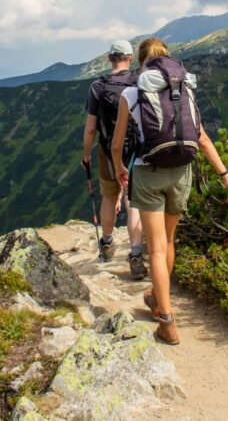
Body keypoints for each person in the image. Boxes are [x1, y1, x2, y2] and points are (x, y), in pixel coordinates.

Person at [112, 37, 228, 345]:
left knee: (154, 248)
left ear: (142, 61)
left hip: (148, 171)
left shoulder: (132, 92)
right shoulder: (184, 89)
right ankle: (157, 298)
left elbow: (117, 144)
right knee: (168, 241)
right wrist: (226, 178)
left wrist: (119, 167)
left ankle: (166, 322)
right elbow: (203, 139)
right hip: (182, 171)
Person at [82, 40, 147, 280]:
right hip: (137, 150)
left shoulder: (97, 87)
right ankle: (137, 255)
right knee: (134, 201)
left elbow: (90, 129)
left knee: (109, 196)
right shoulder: (139, 83)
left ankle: (107, 243)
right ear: (130, 58)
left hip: (108, 149)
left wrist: (86, 154)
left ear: (110, 59)